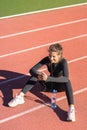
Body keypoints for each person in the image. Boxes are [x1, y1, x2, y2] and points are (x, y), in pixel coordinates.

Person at [8, 43, 76, 122]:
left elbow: (65, 78)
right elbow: (32, 70)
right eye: (50, 55)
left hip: (59, 86)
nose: (51, 58)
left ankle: (71, 109)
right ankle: (20, 97)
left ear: (59, 55)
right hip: (49, 84)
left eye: (54, 56)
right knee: (35, 75)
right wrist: (39, 75)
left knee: (68, 82)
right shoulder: (47, 59)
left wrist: (48, 78)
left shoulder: (63, 62)